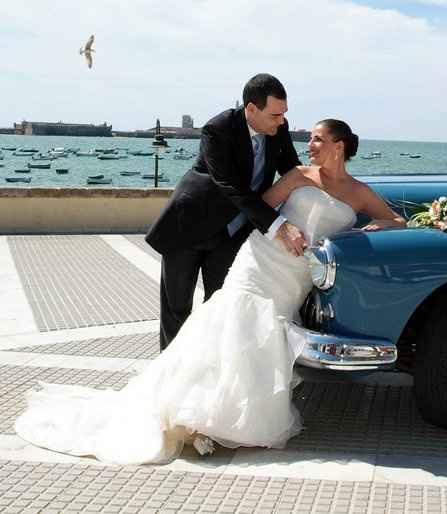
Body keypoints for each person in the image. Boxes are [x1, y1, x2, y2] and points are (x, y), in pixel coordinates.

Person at [14, 119, 406, 465]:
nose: (310, 144)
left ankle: (234, 415)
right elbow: (264, 205)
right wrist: (283, 226)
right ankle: (197, 412)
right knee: (230, 320)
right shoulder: (299, 175)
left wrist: (374, 229)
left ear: (339, 145)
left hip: (298, 273)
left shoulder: (359, 191)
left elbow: (396, 220)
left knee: (265, 335)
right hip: (263, 257)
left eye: (319, 139)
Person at [145, 73, 307, 351]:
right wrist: (279, 225)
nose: (281, 121)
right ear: (251, 109)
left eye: (284, 114)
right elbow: (231, 187)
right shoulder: (217, 130)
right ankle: (172, 376)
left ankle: (210, 371)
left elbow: (292, 170)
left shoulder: (278, 128)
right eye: (274, 115)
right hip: (189, 226)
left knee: (220, 308)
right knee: (177, 308)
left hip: (232, 234)